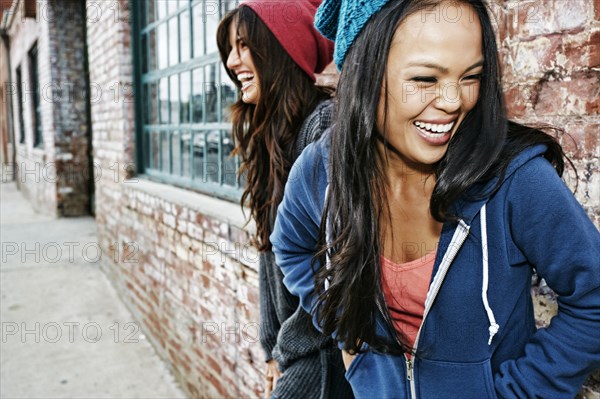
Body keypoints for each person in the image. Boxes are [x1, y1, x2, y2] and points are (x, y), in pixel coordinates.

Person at [270, 0, 600, 398]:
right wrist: (351, 339)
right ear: (364, 73)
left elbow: (593, 297)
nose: (453, 101)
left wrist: (521, 392)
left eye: (470, 76)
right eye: (425, 78)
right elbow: (290, 246)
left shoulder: (515, 181)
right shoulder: (321, 169)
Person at [216, 1, 353, 398]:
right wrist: (272, 349)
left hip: (325, 352)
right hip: (298, 350)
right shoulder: (273, 136)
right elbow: (269, 254)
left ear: (280, 48)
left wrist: (290, 351)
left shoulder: (322, 126)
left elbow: (334, 264)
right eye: (230, 48)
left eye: (243, 46)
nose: (232, 60)